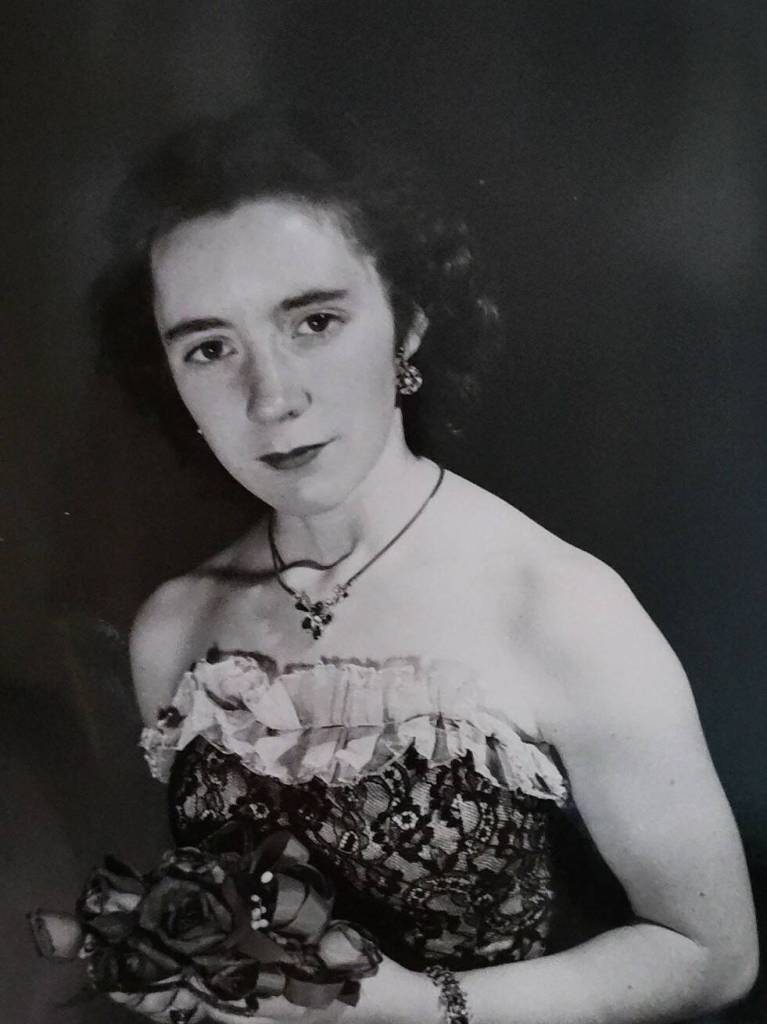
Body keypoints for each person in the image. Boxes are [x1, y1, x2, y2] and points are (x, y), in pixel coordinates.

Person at [98, 106, 757, 1023]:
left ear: (406, 325)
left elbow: (711, 955)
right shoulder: (176, 627)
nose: (272, 397)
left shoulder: (558, 603)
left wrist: (415, 1008)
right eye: (210, 348)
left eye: (314, 321)